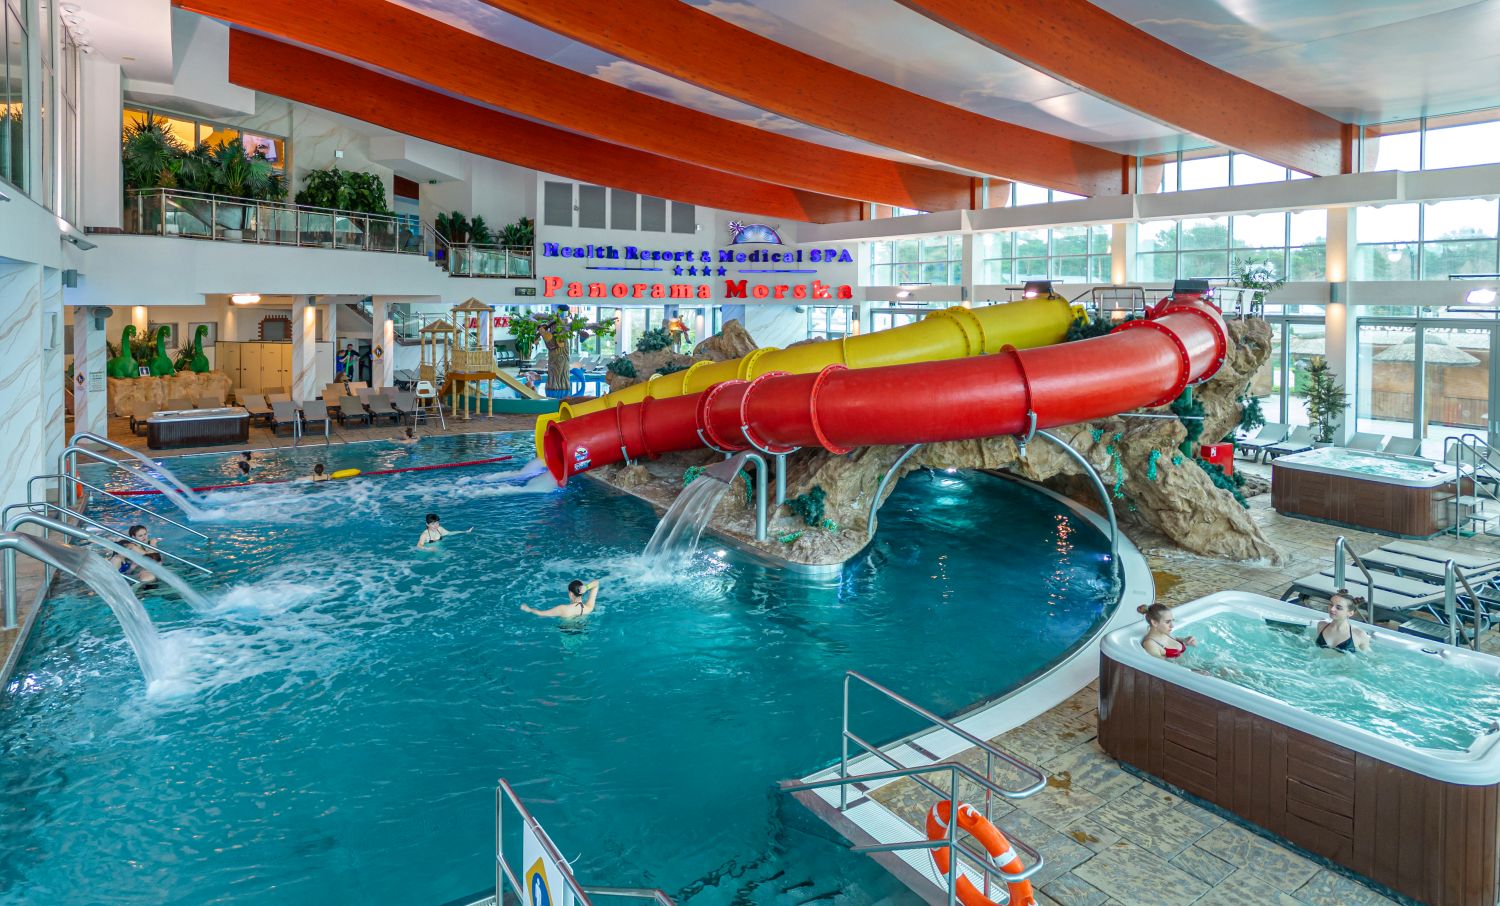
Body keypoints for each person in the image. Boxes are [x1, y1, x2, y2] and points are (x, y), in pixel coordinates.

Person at [521, 579, 600, 619]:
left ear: (570, 594)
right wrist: (587, 587)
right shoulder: (588, 608)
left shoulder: (563, 609)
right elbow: (596, 583)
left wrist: (529, 609)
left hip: (568, 638)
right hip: (583, 635)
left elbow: (542, 613)